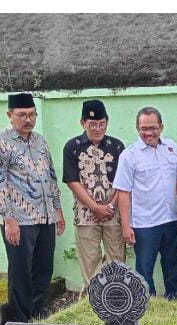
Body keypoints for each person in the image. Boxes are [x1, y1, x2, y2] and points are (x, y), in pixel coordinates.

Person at [0, 92, 66, 322]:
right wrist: (8, 219)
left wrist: (57, 210)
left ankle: (37, 311)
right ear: (10, 115)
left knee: (44, 267)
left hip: (46, 216)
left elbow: (50, 176)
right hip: (19, 219)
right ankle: (19, 319)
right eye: (22, 115)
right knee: (21, 271)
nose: (28, 120)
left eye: (32, 114)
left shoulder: (40, 141)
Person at [113, 107, 177, 299]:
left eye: (153, 128)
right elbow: (123, 193)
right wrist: (126, 226)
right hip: (145, 224)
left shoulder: (171, 147)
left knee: (174, 266)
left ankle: (174, 301)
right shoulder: (129, 156)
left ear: (161, 127)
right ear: (137, 128)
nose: (149, 133)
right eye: (144, 128)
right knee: (144, 270)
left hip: (171, 219)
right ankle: (148, 306)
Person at [62, 99, 126, 290]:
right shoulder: (72, 146)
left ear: (107, 122)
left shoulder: (117, 146)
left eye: (101, 123)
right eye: (92, 124)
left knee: (117, 260)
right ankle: (95, 300)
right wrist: (95, 207)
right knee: (90, 261)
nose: (98, 128)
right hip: (85, 214)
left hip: (114, 213)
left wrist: (110, 206)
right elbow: (72, 181)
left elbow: (123, 181)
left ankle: (116, 298)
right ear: (83, 123)